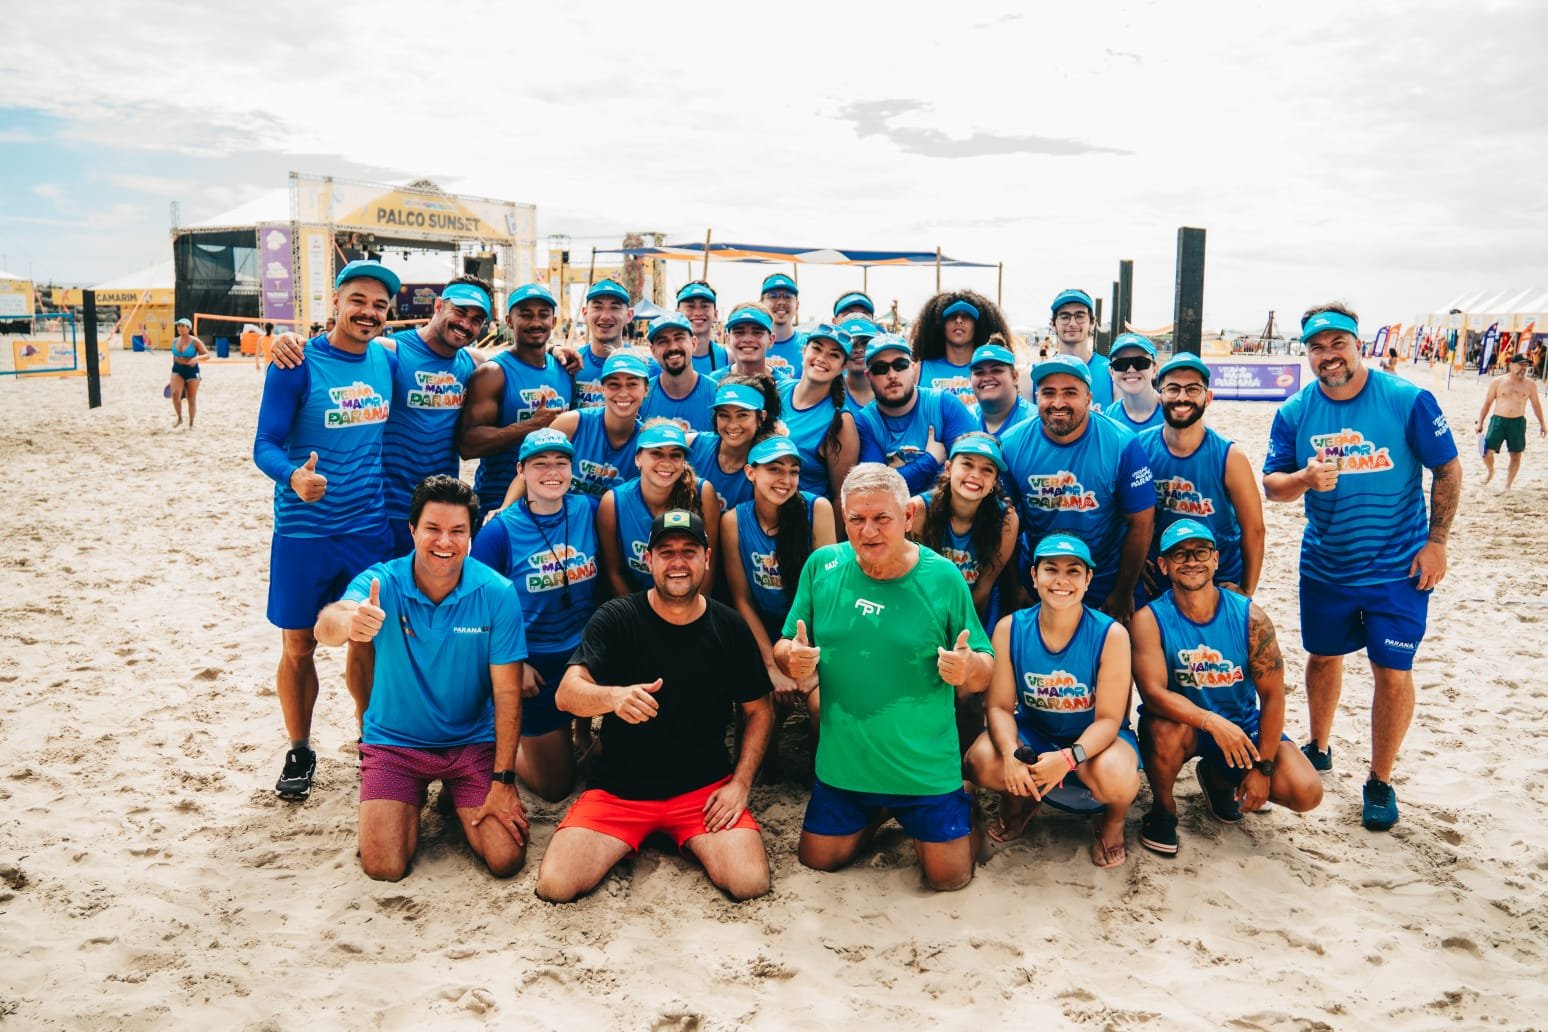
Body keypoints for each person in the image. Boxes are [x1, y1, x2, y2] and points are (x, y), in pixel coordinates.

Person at [1262, 303, 1461, 831]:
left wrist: (1437, 542)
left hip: (1398, 567)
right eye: (1317, 347)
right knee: (1323, 656)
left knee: (1392, 671)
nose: (1328, 355)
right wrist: (1304, 478)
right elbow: (1272, 486)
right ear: (1307, 353)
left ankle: (1380, 780)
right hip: (1326, 565)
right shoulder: (1295, 411)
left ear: (1358, 345)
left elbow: (1447, 468)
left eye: (1338, 344)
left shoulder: (1406, 399)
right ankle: (1319, 745)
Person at [536, 510, 774, 902]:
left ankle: (679, 836)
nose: (678, 562)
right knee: (556, 885)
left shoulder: (729, 626)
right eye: (666, 552)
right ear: (649, 560)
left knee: (749, 882)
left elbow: (759, 710)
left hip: (703, 792)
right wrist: (614, 697)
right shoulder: (617, 617)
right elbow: (566, 694)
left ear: (707, 558)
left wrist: (740, 785)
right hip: (619, 792)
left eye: (689, 551)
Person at [775, 464, 993, 892]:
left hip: (923, 769)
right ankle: (879, 811)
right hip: (846, 767)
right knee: (817, 860)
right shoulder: (822, 566)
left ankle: (963, 798)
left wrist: (967, 668)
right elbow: (785, 645)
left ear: (908, 516)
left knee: (949, 880)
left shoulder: (943, 577)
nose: (868, 531)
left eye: (882, 518)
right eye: (857, 519)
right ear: (844, 518)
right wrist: (792, 659)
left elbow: (983, 667)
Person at [314, 475, 528, 880]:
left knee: (506, 858)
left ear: (471, 534)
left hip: (470, 743)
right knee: (384, 867)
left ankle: (455, 793)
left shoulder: (497, 592)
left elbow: (507, 694)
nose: (445, 541)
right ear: (412, 529)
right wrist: (350, 622)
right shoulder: (382, 582)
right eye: (432, 528)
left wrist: (503, 781)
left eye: (457, 531)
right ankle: (408, 791)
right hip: (395, 744)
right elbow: (326, 624)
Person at [252, 259, 400, 800]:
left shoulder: (387, 358)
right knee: (298, 645)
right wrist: (293, 476)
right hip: (304, 533)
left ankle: (370, 738)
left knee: (366, 635)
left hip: (367, 528)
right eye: (358, 300)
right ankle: (300, 748)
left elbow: (457, 356)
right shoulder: (296, 364)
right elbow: (264, 444)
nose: (368, 312)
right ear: (335, 302)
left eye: (379, 305)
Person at [1131, 520, 1323, 855]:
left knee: (1306, 791)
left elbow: (1273, 697)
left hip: (1241, 724)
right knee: (1160, 730)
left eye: (1201, 552)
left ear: (1216, 559)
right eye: (1179, 554)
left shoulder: (1251, 618)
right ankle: (1163, 810)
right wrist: (1212, 722)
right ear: (1163, 565)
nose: (1191, 561)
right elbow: (1154, 694)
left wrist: (1263, 768)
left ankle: (1219, 779)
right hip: (1185, 724)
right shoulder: (1149, 619)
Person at [963, 534, 1140, 867]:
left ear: (1088, 579)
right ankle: (1018, 800)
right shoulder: (1010, 628)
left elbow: (1109, 720)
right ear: (1034, 576)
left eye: (1073, 571)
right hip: (1037, 733)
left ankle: (1112, 820)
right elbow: (999, 707)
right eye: (1051, 569)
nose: (1061, 580)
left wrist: (1070, 757)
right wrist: (1011, 754)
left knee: (1115, 774)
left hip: (1094, 742)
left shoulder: (1111, 634)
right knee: (981, 760)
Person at [471, 429, 600, 801]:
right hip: (534, 663)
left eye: (560, 462)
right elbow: (476, 608)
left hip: (583, 654)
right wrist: (514, 663)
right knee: (556, 787)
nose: (552, 471)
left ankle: (580, 731)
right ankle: (494, 744)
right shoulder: (499, 532)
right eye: (540, 463)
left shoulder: (589, 509)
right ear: (521, 471)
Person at [999, 353, 1156, 624]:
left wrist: (1122, 591)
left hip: (1105, 578)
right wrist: (1015, 586)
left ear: (1088, 398)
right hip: (1040, 578)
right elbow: (1003, 522)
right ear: (1036, 397)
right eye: (1048, 392)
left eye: (1070, 392)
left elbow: (1141, 523)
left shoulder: (1121, 443)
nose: (1058, 403)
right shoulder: (1012, 443)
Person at [721, 437, 836, 751]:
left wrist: (806, 663)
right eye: (775, 469)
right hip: (763, 634)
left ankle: (819, 770)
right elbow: (742, 600)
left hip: (812, 634)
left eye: (793, 471)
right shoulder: (733, 521)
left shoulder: (818, 509)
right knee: (761, 713)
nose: (786, 479)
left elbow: (827, 596)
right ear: (751, 473)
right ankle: (766, 768)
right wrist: (772, 665)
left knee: (822, 707)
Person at [1139, 352, 1265, 596]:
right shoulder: (1141, 448)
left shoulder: (1230, 456)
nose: (1182, 397)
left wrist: (1247, 590)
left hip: (1217, 579)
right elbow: (1124, 516)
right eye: (1173, 389)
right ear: (1159, 395)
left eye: (1192, 389)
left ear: (1208, 398)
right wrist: (1136, 559)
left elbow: (1255, 529)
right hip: (1159, 577)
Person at [460, 283, 573, 524]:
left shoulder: (565, 369)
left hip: (552, 500)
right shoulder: (492, 373)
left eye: (543, 315)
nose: (535, 322)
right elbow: (468, 445)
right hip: (498, 502)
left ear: (554, 321)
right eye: (525, 314)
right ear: (509, 321)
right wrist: (531, 426)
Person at [504, 351, 648, 508]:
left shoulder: (646, 441)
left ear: (646, 389)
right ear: (603, 389)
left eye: (632, 384)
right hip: (561, 515)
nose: (623, 393)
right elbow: (530, 470)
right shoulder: (572, 423)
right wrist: (505, 509)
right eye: (614, 384)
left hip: (613, 520)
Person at [910, 434, 1019, 633]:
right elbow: (913, 580)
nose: (976, 475)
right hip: (921, 610)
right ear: (949, 468)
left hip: (974, 614)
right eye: (967, 464)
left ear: (995, 481)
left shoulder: (1007, 520)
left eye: (987, 470)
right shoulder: (918, 510)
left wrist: (960, 632)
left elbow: (983, 588)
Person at [598, 421, 721, 596]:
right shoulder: (613, 502)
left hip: (692, 601)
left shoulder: (703, 493)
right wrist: (635, 612)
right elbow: (614, 572)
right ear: (638, 459)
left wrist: (691, 609)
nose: (666, 462)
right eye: (656, 453)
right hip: (636, 604)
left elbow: (708, 567)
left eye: (675, 455)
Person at [853, 334, 977, 494]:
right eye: (880, 368)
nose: (892, 375)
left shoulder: (945, 404)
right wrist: (931, 460)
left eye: (900, 365)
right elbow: (877, 490)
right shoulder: (865, 422)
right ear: (868, 376)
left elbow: (971, 475)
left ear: (912, 367)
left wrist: (896, 476)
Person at [776, 323, 861, 520]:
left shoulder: (840, 421)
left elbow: (842, 498)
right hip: (761, 516)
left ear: (843, 367)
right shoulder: (778, 390)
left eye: (834, 355)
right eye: (817, 348)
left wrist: (829, 539)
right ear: (804, 351)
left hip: (804, 523)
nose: (822, 358)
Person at [686, 377, 782, 510]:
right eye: (724, 415)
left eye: (742, 415)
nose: (732, 425)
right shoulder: (690, 445)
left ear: (761, 417)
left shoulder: (770, 463)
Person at [910, 290, 1013, 409]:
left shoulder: (994, 371)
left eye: (966, 316)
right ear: (941, 325)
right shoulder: (920, 370)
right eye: (952, 316)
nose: (959, 320)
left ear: (978, 326)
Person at [1477, 352, 1547, 491]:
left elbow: (1536, 405)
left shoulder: (1530, 384)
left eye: (1525, 365)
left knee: (1516, 454)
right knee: (1487, 451)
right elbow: (1487, 403)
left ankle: (1508, 484)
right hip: (1498, 421)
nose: (1523, 368)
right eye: (1521, 364)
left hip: (1517, 422)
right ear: (1511, 365)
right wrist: (1480, 422)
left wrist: (1542, 424)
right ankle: (1490, 472)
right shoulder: (1498, 382)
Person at [639, 313, 717, 432]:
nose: (672, 347)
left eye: (679, 338)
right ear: (653, 350)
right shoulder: (642, 396)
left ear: (693, 343)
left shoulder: (716, 394)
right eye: (663, 341)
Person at [1047, 289, 1112, 413]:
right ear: (1053, 325)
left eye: (1080, 316)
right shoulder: (1035, 376)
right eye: (1065, 317)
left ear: (1092, 323)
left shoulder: (1111, 372)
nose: (1072, 323)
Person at [573, 279, 635, 409]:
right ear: (585, 313)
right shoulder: (571, 365)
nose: (605, 316)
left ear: (629, 315)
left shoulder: (646, 367)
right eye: (597, 307)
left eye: (615, 308)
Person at [707, 304, 792, 384]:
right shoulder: (713, 382)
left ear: (771, 340)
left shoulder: (785, 386)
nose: (747, 339)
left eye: (757, 332)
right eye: (739, 332)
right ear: (728, 339)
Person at [968, 341, 1033, 438]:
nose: (987, 378)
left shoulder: (1036, 421)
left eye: (996, 370)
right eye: (979, 372)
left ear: (1015, 377)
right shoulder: (964, 418)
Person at [1104, 334, 1164, 434]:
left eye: (1140, 362)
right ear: (1111, 372)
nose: (1131, 370)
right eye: (1121, 364)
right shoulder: (1110, 416)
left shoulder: (1171, 410)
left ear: (1154, 369)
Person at [675, 281, 728, 374]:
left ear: (715, 314)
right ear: (677, 313)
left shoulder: (728, 358)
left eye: (704, 306)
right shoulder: (663, 359)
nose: (698, 313)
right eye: (690, 306)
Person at [168, 317, 211, 429]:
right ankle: (179, 418)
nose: (179, 328)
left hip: (192, 370)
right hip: (177, 369)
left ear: (188, 328)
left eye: (182, 326)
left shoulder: (195, 341)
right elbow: (175, 356)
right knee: (175, 394)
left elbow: (207, 355)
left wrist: (196, 358)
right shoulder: (175, 341)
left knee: (191, 398)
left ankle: (191, 424)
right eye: (178, 326)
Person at [760, 273, 804, 375]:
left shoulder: (809, 348)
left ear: (797, 306)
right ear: (761, 304)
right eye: (773, 296)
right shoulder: (751, 346)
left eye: (788, 297)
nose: (781, 302)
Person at [837, 316, 879, 408]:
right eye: (852, 344)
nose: (859, 350)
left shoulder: (891, 388)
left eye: (865, 343)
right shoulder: (828, 392)